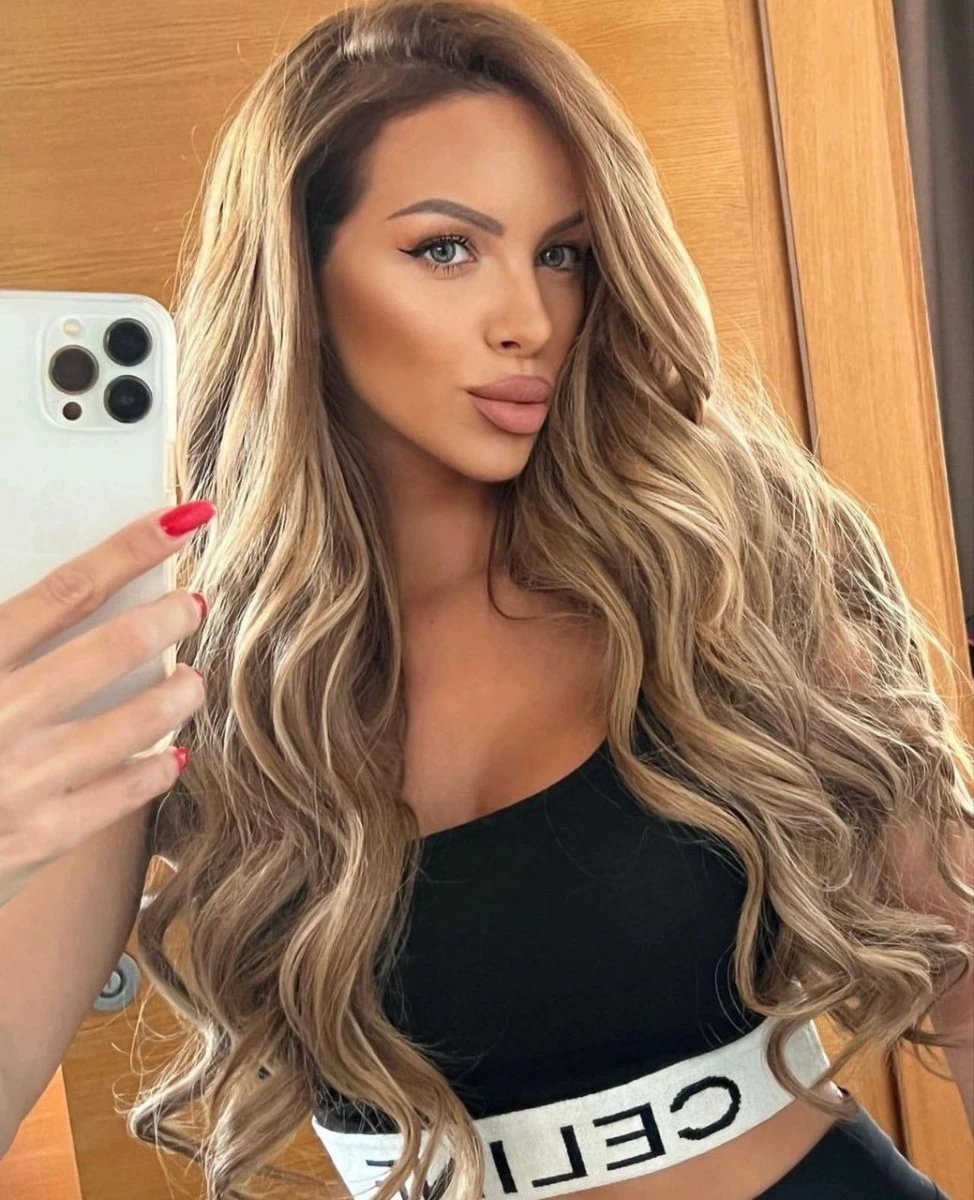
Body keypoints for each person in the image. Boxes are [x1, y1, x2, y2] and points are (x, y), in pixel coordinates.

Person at [0, 1, 969, 1198]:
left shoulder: (724, 560)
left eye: (561, 254)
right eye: (446, 250)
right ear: (300, 272)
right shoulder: (174, 668)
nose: (528, 321)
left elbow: (962, 975)